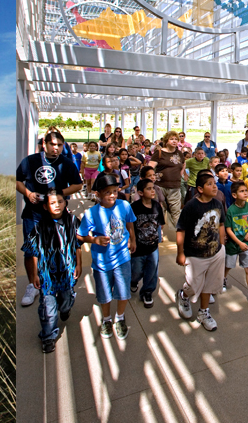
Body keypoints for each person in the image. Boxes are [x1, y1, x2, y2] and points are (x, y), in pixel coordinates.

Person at [17, 130, 84, 308]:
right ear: (44, 144)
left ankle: (56, 281)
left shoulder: (67, 163)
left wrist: (59, 195)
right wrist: (28, 192)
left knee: (58, 248)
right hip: (34, 213)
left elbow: (78, 184)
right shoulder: (30, 161)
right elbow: (18, 181)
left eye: (60, 145)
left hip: (57, 214)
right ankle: (32, 285)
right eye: (52, 144)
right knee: (31, 250)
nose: (56, 148)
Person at [21, 190, 82, 353]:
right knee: (48, 307)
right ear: (45, 206)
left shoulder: (72, 221)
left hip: (66, 274)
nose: (57, 205)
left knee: (64, 302)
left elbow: (78, 244)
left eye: (60, 202)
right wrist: (34, 274)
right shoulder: (39, 227)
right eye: (52, 203)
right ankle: (48, 336)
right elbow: (32, 252)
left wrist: (79, 264)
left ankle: (67, 306)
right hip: (46, 276)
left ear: (65, 203)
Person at [77, 173, 136, 339]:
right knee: (104, 294)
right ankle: (106, 319)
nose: (112, 195)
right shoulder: (92, 213)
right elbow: (80, 235)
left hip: (123, 258)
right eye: (108, 192)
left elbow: (130, 223)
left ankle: (120, 317)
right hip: (102, 262)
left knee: (123, 291)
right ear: (98, 194)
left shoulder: (124, 205)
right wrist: (93, 239)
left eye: (115, 191)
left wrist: (132, 240)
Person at [174, 173, 227, 331]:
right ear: (200, 189)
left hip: (216, 252)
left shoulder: (217, 204)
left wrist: (222, 246)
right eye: (209, 184)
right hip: (195, 255)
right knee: (193, 285)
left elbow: (221, 224)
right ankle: (183, 295)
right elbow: (181, 230)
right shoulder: (191, 206)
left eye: (214, 183)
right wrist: (180, 253)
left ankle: (204, 313)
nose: (214, 186)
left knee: (209, 285)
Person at [224, 180, 248, 308]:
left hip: (247, 243)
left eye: (246, 190)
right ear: (234, 195)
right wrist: (238, 242)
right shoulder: (231, 210)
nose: (245, 193)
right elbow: (228, 229)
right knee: (228, 265)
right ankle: (222, 279)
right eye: (242, 191)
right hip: (233, 244)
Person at [130, 177, 165, 308]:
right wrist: (131, 240)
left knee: (152, 270)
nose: (152, 191)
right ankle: (133, 281)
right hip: (138, 247)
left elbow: (160, 223)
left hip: (152, 246)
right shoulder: (134, 207)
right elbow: (130, 226)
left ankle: (147, 291)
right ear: (140, 192)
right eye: (149, 189)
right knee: (137, 271)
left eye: (153, 188)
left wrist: (159, 235)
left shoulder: (156, 206)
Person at [147, 131, 185, 226]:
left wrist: (180, 174)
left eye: (176, 139)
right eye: (171, 139)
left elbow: (183, 164)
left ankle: (180, 236)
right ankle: (158, 234)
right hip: (160, 186)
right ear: (166, 141)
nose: (174, 141)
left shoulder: (179, 153)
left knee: (176, 212)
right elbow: (150, 167)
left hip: (175, 187)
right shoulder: (159, 153)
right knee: (159, 211)